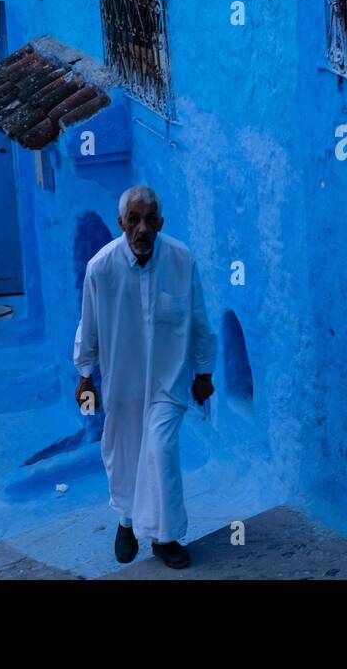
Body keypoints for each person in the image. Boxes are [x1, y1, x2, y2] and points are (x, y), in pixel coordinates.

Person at [73, 185, 217, 568]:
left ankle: (165, 538)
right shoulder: (101, 268)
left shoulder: (181, 260)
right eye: (133, 220)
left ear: (160, 223)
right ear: (120, 223)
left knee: (161, 450)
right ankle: (127, 520)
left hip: (168, 382)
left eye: (149, 220)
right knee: (124, 452)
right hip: (123, 382)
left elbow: (200, 320)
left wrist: (204, 372)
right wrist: (85, 375)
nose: (142, 228)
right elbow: (88, 327)